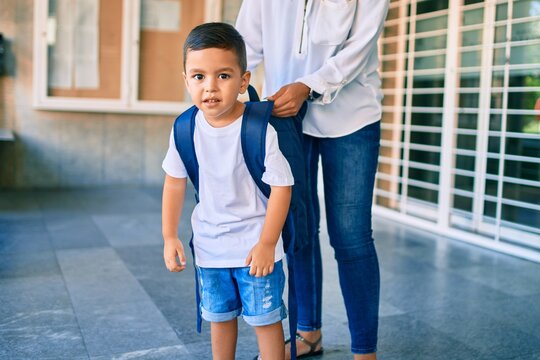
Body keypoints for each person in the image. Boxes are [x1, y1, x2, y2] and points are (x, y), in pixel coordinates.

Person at [236, 1, 389, 359]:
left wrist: (309, 84)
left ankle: (365, 351)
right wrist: (223, 91)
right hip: (285, 115)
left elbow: (360, 47)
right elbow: (244, 47)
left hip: (354, 116)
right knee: (299, 229)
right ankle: (308, 333)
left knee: (351, 236)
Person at [161, 22, 294, 360]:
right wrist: (169, 236)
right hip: (210, 248)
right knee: (219, 320)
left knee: (265, 321)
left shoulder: (258, 129)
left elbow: (282, 187)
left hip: (255, 248)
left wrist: (266, 244)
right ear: (186, 80)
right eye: (199, 76)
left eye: (223, 75)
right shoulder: (184, 129)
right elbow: (174, 182)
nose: (210, 87)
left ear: (243, 81)